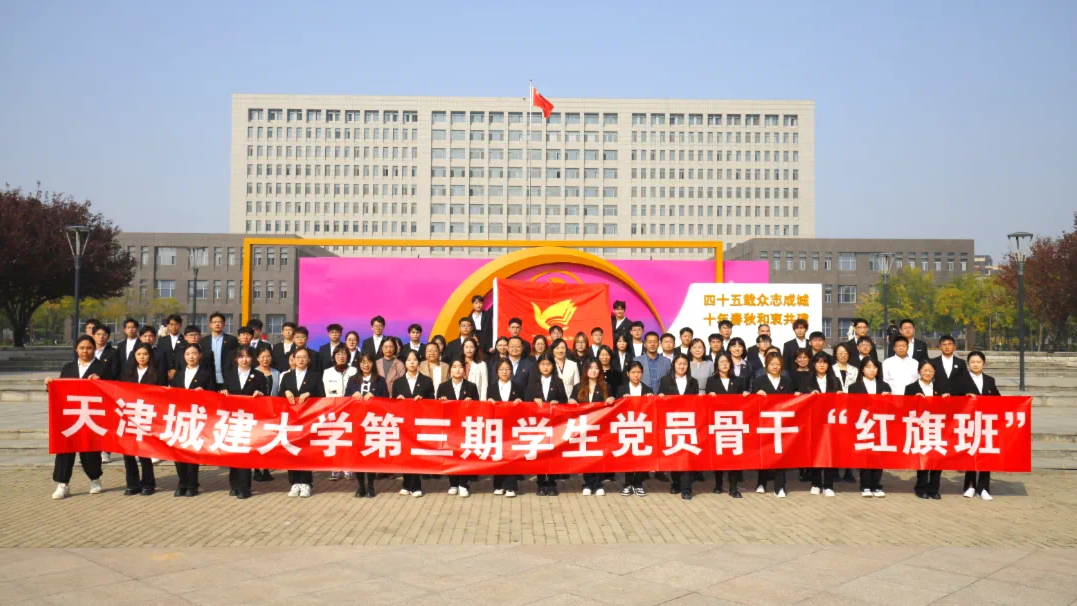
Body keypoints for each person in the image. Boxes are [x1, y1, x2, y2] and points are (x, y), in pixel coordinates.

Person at [47, 335, 106, 499]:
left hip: (92, 414)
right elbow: (60, 388)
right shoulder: (68, 367)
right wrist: (50, 385)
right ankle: (62, 484)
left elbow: (111, 389)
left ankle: (95, 479)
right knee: (65, 449)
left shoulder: (102, 367)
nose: (85, 351)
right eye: (82, 348)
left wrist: (101, 381)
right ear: (76, 350)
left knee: (90, 450)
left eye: (89, 348)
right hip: (70, 414)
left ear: (94, 349)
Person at [952, 351, 1001, 501]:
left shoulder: (990, 380)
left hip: (986, 423)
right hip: (968, 423)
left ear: (983, 364)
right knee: (970, 454)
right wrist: (965, 397)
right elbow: (953, 398)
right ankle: (970, 486)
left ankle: (984, 487)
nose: (975, 364)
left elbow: (998, 399)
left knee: (985, 455)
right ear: (968, 364)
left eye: (978, 362)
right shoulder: (961, 379)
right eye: (972, 362)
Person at [218, 345, 266, 499]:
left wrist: (261, 394)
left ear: (252, 358)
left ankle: (245, 488)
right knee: (233, 453)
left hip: (250, 421)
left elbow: (266, 397)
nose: (244, 360)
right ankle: (234, 485)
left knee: (245, 454)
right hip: (232, 420)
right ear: (236, 359)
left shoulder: (259, 375)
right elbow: (223, 392)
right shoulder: (230, 375)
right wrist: (223, 392)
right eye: (241, 356)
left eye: (247, 356)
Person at [169, 342, 214, 497]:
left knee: (192, 451)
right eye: (188, 354)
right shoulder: (179, 374)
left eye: (194, 353)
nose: (191, 357)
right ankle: (182, 482)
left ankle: (192, 484)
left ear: (200, 355)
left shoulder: (206, 374)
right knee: (178, 451)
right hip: (180, 418)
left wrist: (203, 393)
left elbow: (213, 396)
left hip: (197, 418)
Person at [279, 347, 323, 498]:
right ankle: (294, 483)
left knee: (304, 451)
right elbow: (279, 397)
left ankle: (306, 483)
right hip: (291, 420)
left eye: (304, 357)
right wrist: (285, 392)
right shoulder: (286, 377)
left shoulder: (315, 376)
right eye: (298, 357)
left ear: (309, 360)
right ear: (293, 359)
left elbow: (322, 396)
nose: (301, 360)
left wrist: (310, 394)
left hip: (307, 420)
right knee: (291, 450)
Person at [120, 342, 163, 496]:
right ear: (134, 356)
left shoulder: (157, 373)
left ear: (150, 356)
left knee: (144, 451)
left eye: (145, 354)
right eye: (139, 354)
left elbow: (162, 394)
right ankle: (132, 484)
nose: (142, 357)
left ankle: (148, 484)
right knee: (128, 452)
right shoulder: (128, 372)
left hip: (147, 416)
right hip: (130, 416)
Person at [345, 352, 389, 498]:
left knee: (370, 454)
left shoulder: (380, 380)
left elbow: (387, 400)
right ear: (359, 364)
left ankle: (370, 486)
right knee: (357, 454)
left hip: (373, 422)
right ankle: (360, 486)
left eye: (369, 362)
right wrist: (352, 397)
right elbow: (345, 400)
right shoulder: (353, 380)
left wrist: (375, 398)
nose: (366, 365)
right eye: (363, 362)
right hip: (357, 422)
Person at [570, 359, 616, 496]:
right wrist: (571, 401)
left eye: (596, 368)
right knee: (586, 456)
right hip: (584, 427)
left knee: (598, 456)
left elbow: (612, 402)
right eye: (590, 368)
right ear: (585, 370)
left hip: (600, 427)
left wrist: (611, 399)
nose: (594, 371)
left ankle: (598, 484)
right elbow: (572, 401)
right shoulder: (578, 387)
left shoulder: (606, 387)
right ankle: (588, 483)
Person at [750, 352, 794, 498]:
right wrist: (756, 395)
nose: (775, 367)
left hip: (782, 423)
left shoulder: (787, 381)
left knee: (781, 454)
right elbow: (751, 402)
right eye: (772, 364)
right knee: (765, 453)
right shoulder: (758, 381)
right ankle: (761, 483)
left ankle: (780, 486)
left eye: (778, 364)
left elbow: (791, 400)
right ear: (766, 365)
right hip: (764, 423)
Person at [392, 349, 435, 497]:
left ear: (419, 362)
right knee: (405, 453)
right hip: (404, 423)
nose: (412, 362)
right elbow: (392, 404)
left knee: (416, 453)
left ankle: (416, 486)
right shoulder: (398, 383)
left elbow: (432, 400)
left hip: (419, 423)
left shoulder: (426, 381)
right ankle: (406, 483)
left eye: (414, 360)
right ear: (405, 362)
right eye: (409, 360)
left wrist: (423, 400)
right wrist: (397, 400)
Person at [525, 354, 568, 496]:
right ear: (538, 366)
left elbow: (564, 400)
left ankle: (552, 483)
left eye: (548, 364)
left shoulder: (557, 381)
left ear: (552, 366)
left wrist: (557, 402)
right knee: (541, 453)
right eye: (542, 364)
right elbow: (526, 401)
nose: (545, 367)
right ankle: (541, 483)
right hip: (539, 424)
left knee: (553, 453)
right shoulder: (533, 382)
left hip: (554, 424)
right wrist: (533, 400)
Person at [906, 360, 950, 500]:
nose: (928, 373)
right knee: (923, 459)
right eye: (925, 370)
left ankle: (934, 489)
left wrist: (947, 400)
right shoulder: (911, 388)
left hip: (937, 428)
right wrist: (914, 400)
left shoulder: (941, 388)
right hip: (920, 428)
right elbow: (905, 408)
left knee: (937, 459)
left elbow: (948, 409)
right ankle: (921, 488)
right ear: (919, 371)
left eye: (931, 370)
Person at [436, 358, 480, 497]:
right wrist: (441, 402)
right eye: (454, 367)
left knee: (463, 454)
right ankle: (453, 484)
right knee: (451, 455)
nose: (457, 369)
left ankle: (463, 484)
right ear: (450, 370)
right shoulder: (443, 387)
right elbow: (437, 408)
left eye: (460, 367)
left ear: (464, 370)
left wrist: (470, 403)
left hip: (465, 427)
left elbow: (478, 407)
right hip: (449, 427)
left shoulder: (471, 386)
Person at [848, 357, 891, 498]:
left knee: (879, 456)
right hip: (863, 425)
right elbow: (851, 408)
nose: (872, 370)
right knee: (865, 456)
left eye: (874, 367)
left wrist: (888, 399)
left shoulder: (884, 386)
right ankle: (865, 485)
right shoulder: (854, 387)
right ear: (862, 369)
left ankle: (876, 485)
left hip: (880, 426)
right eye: (868, 367)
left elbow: (891, 408)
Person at [705, 352, 746, 498]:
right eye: (721, 361)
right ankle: (718, 484)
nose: (724, 364)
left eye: (727, 362)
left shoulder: (738, 380)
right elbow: (707, 402)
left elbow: (743, 401)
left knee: (733, 456)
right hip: (718, 422)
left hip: (734, 423)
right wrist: (709, 396)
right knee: (719, 455)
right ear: (717, 364)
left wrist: (745, 395)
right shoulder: (711, 380)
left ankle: (733, 488)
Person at [658, 356, 700, 500]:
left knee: (687, 455)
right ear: (674, 365)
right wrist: (661, 396)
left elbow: (696, 401)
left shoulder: (693, 382)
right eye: (679, 364)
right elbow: (660, 398)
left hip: (689, 423)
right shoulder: (665, 380)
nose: (682, 366)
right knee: (675, 453)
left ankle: (686, 488)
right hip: (672, 423)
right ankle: (675, 483)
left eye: (684, 364)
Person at [806, 352, 842, 497]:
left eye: (824, 362)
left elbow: (840, 401)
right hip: (813, 423)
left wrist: (840, 396)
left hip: (830, 423)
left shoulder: (835, 380)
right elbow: (800, 399)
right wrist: (808, 395)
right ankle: (815, 483)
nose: (822, 365)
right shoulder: (807, 380)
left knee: (830, 453)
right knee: (815, 453)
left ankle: (828, 485)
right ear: (814, 364)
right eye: (819, 362)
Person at [322, 344, 357, 481]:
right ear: (334, 356)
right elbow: (325, 392)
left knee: (349, 439)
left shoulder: (354, 371)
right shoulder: (327, 372)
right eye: (338, 354)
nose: (341, 356)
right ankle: (335, 468)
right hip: (333, 410)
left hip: (351, 410)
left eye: (344, 354)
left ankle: (349, 468)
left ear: (348, 356)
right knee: (334, 439)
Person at [616, 361, 652, 496]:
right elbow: (616, 409)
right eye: (633, 372)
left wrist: (650, 399)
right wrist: (622, 400)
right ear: (628, 374)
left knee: (641, 456)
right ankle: (628, 483)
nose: (636, 375)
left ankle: (638, 484)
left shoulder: (647, 389)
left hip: (642, 427)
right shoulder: (622, 389)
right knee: (628, 456)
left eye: (638, 372)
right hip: (627, 427)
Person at [252, 347, 279, 483]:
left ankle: (267, 468)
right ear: (257, 358)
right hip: (256, 412)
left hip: (272, 411)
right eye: (262, 356)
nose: (265, 359)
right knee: (257, 440)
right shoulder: (253, 373)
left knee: (268, 440)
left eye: (268, 356)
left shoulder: (276, 373)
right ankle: (257, 469)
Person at [202, 312, 238, 389]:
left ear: (224, 324)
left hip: (227, 378)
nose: (217, 324)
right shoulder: (204, 341)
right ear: (210, 325)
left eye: (220, 322)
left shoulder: (232, 340)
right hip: (209, 379)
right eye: (214, 322)